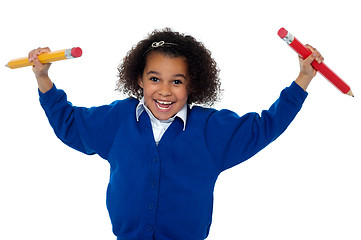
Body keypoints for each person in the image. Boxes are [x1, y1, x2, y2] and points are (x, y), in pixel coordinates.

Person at [29, 28, 323, 240]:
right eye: (155, 79)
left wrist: (303, 79)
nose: (165, 91)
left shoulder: (211, 130)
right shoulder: (117, 119)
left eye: (177, 81)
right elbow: (68, 123)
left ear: (192, 85)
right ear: (139, 80)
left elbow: (263, 127)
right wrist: (43, 77)